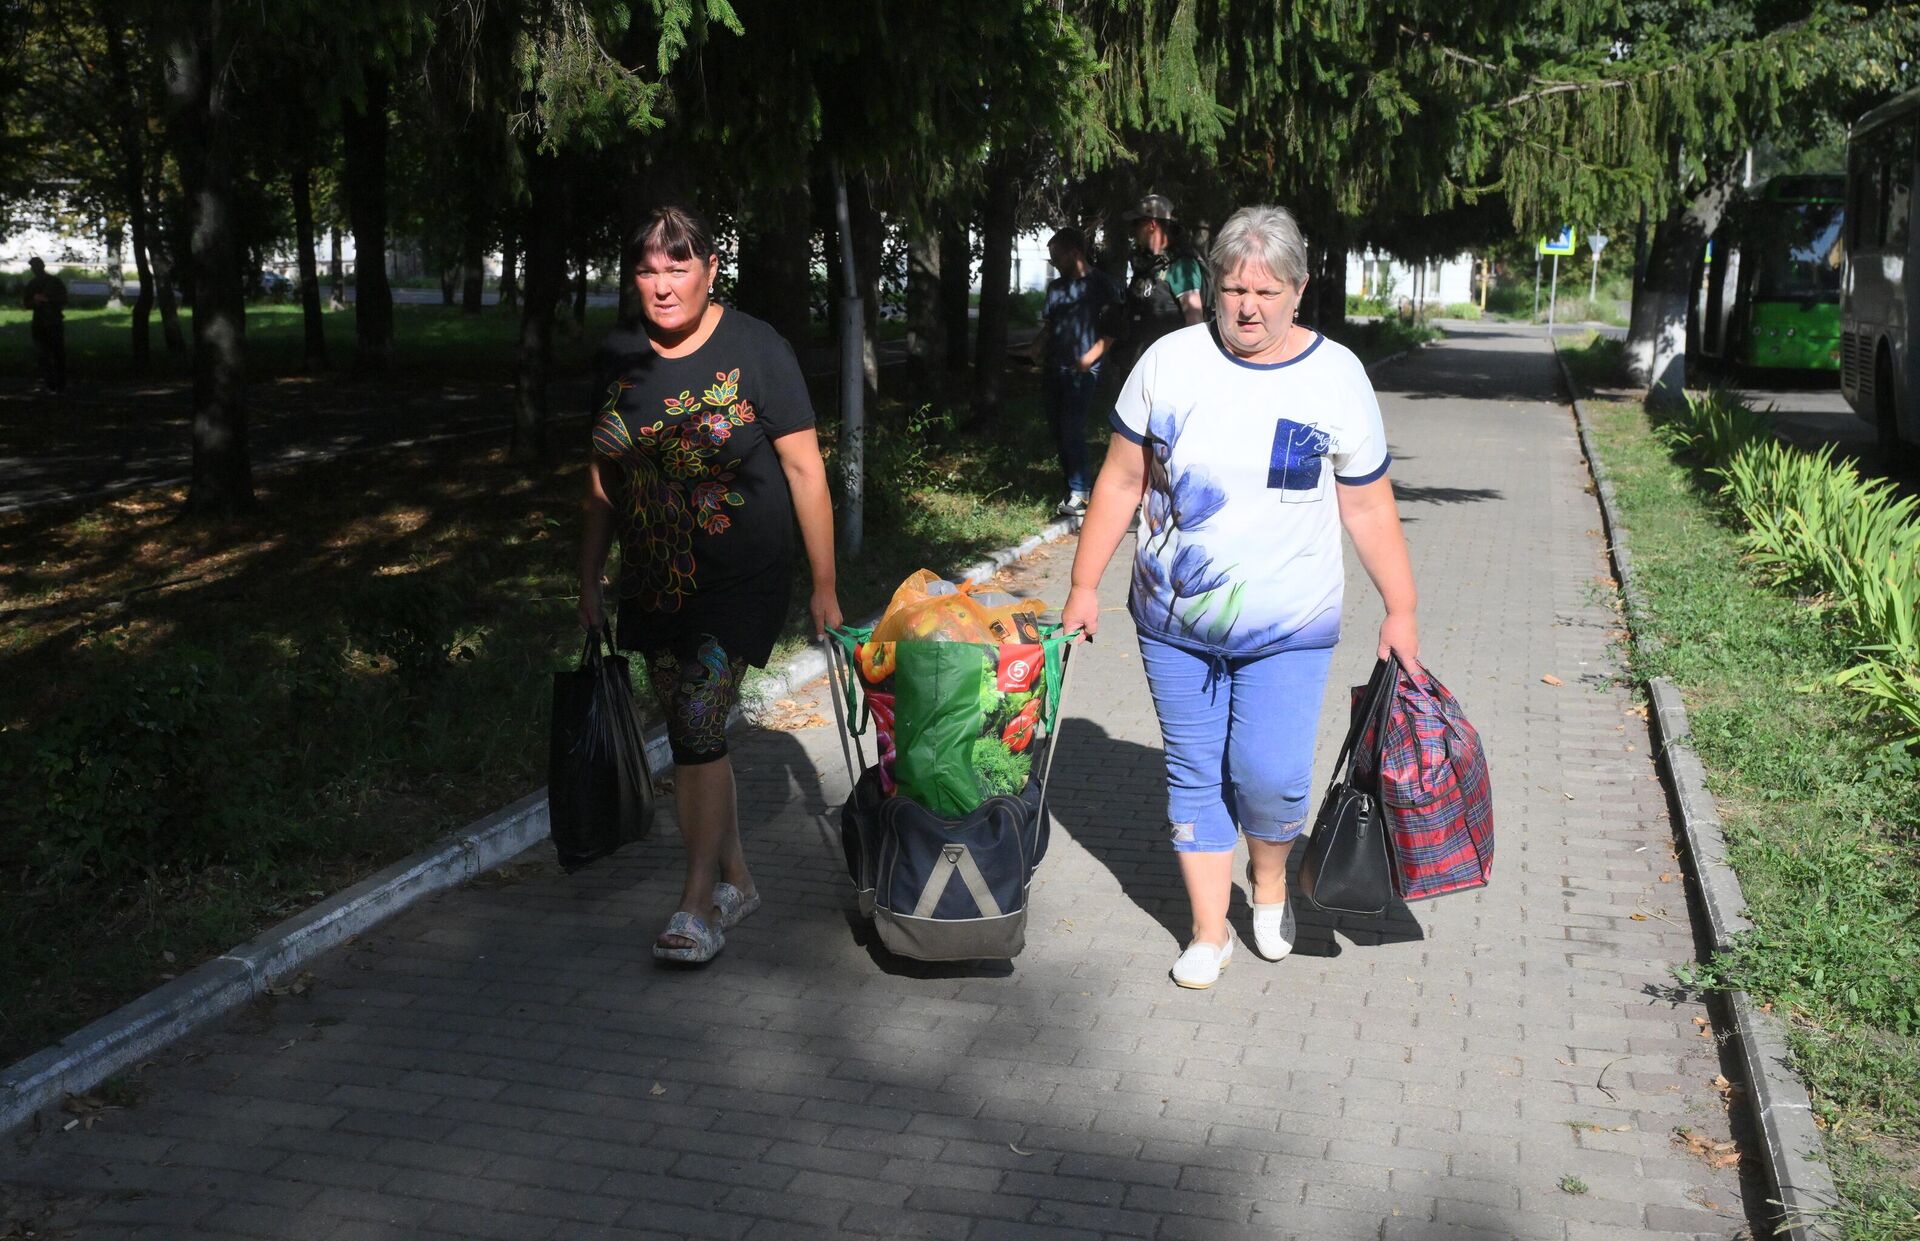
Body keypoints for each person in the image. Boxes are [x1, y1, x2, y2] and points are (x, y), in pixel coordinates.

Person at [1060, 204, 1419, 990]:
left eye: (1265, 290)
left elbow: (1366, 502)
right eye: (1232, 288)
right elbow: (1122, 478)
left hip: (1291, 622)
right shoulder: (1169, 363)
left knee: (1271, 774)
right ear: (1213, 287)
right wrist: (1084, 584)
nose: (1247, 306)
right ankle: (1208, 931)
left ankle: (1270, 881)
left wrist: (1401, 606)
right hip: (1170, 616)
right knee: (1193, 769)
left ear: (1299, 289)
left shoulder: (1337, 376)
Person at [578, 205, 842, 965]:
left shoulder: (757, 348)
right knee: (695, 732)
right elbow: (600, 477)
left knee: (695, 713)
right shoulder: (619, 352)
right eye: (648, 270)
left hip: (743, 576)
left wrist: (823, 583)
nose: (661, 286)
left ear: (711, 269)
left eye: (677, 268)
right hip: (656, 577)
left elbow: (805, 471)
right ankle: (736, 874)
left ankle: (697, 903)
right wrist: (589, 573)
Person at [1029, 227, 1122, 517]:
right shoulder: (1056, 288)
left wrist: (1088, 360)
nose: (1053, 261)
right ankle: (1070, 489)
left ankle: (1081, 494)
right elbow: (1049, 326)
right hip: (1053, 368)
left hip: (1083, 372)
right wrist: (1036, 348)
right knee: (1058, 430)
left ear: (1076, 253)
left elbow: (1113, 331)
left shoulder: (1103, 285)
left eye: (1057, 255)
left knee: (1071, 428)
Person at [1120, 194, 1206, 359]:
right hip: (1142, 363)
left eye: (1137, 223)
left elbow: (1194, 321)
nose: (1133, 230)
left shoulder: (1182, 265)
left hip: (1169, 366)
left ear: (1152, 224)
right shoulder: (1148, 266)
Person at [22, 257, 68, 393]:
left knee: (55, 353)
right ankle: (52, 382)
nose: (34, 270)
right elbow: (27, 303)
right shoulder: (39, 283)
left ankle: (57, 383)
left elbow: (63, 300)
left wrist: (46, 300)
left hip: (51, 322)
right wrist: (35, 302)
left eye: (35, 267)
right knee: (46, 354)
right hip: (43, 322)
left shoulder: (52, 282)